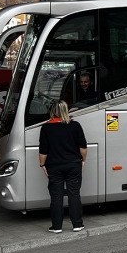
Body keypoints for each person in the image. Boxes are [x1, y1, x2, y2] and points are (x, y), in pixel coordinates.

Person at [38, 100, 88, 233]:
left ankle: (56, 226)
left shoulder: (46, 128)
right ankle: (77, 224)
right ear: (66, 110)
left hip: (54, 166)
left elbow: (43, 150)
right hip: (73, 164)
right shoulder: (75, 125)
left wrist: (42, 164)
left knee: (56, 196)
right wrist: (83, 160)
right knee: (74, 194)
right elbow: (83, 147)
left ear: (52, 111)